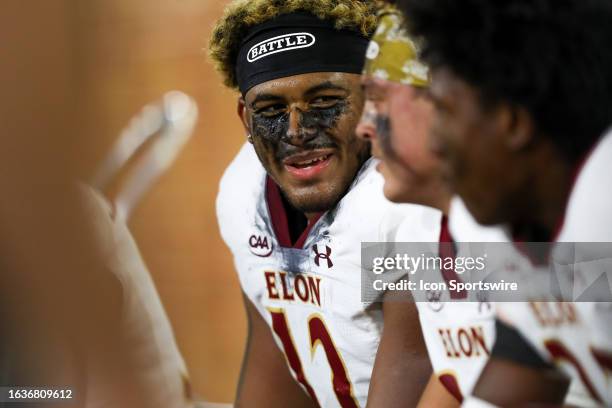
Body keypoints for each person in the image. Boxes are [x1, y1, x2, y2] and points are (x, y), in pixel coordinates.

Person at [209, 0, 439, 406]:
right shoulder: (242, 192)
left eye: (324, 102)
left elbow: (414, 373)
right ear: (245, 119)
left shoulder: (404, 199)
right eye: (271, 110)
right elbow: (276, 372)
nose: (297, 131)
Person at [399, 0, 612, 405]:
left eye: (443, 110)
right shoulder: (493, 224)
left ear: (511, 120)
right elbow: (516, 384)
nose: (433, 141)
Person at [356, 9, 505, 406]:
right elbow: (456, 377)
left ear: (445, 101)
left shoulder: (561, 224)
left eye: (377, 99)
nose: (363, 126)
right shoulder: (420, 228)